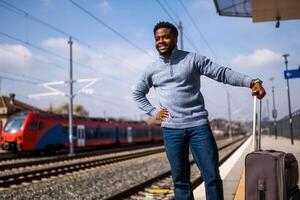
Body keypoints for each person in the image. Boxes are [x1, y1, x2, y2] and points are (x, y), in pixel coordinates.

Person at [132, 21, 265, 200]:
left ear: (175, 38)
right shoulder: (152, 69)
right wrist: (154, 111)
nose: (160, 41)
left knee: (211, 177)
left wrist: (251, 81)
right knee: (180, 181)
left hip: (198, 127)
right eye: (157, 38)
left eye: (165, 37)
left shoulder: (193, 59)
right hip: (171, 130)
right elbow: (137, 93)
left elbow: (222, 73)